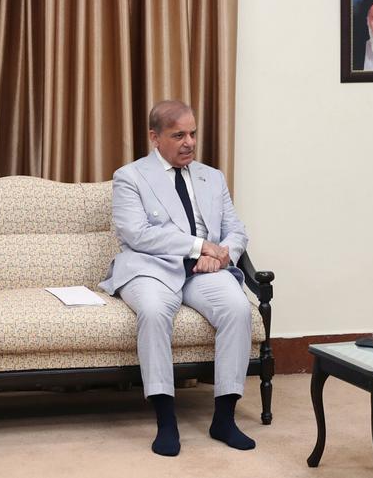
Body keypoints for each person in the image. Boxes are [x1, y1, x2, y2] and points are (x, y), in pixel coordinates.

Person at [98, 100, 255, 456]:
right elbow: (138, 234)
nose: (190, 143)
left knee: (237, 308)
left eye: (193, 134)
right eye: (179, 135)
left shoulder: (212, 177)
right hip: (150, 268)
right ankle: (166, 421)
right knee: (154, 312)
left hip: (204, 270)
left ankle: (224, 419)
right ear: (155, 138)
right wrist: (201, 246)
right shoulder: (130, 177)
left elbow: (236, 229)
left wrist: (222, 253)